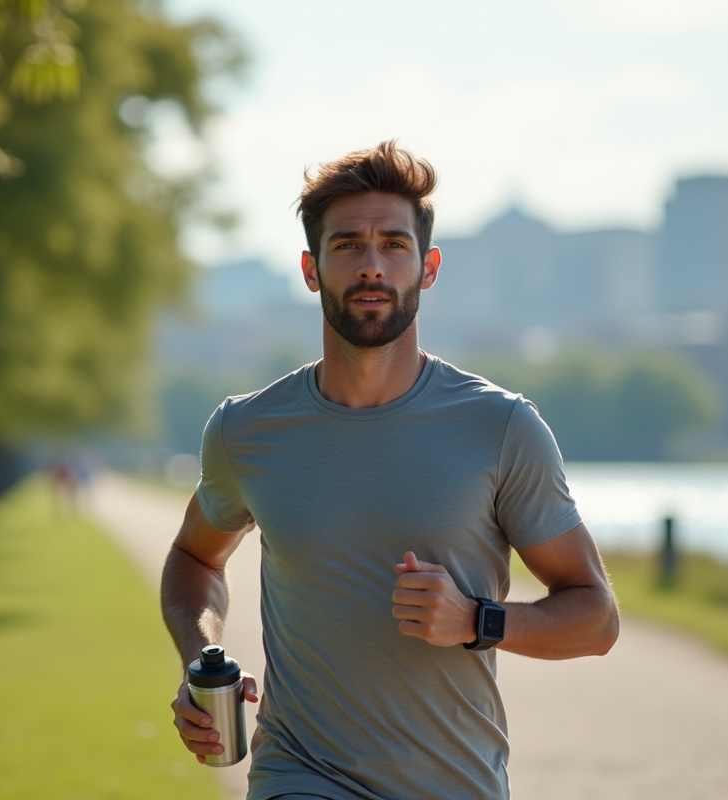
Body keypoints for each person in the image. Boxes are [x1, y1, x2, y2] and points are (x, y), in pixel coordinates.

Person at [162, 141, 619, 800]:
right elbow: (193, 559)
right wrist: (203, 659)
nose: (372, 265)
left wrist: (477, 621)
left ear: (427, 267)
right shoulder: (246, 430)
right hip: (299, 776)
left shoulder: (502, 428)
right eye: (346, 245)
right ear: (311, 269)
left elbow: (596, 618)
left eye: (393, 245)